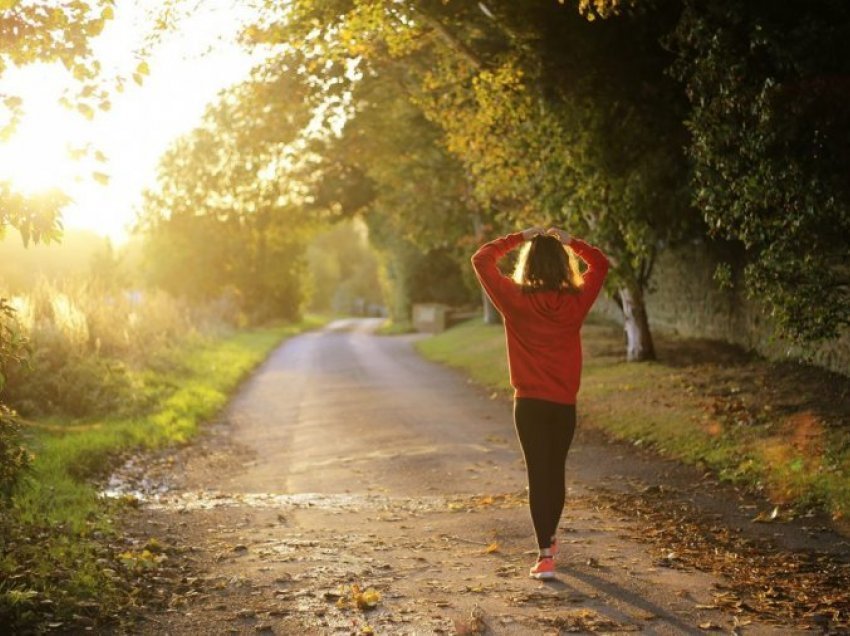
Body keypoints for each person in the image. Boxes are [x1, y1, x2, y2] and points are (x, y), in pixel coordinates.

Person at [471, 226, 610, 580]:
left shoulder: (514, 299)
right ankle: (549, 539)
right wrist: (572, 242)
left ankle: (545, 554)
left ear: (528, 264)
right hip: (563, 404)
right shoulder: (576, 301)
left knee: (538, 474)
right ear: (564, 265)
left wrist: (520, 236)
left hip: (529, 404)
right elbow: (601, 264)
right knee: (555, 471)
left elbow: (481, 259)